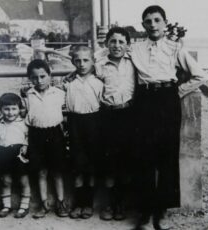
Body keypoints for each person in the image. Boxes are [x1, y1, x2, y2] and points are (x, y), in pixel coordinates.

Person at [130, 5, 206, 230]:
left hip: (167, 100)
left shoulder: (175, 48)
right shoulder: (135, 48)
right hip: (143, 100)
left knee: (166, 155)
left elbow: (199, 75)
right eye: (148, 21)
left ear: (164, 23)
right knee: (143, 155)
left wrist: (178, 92)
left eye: (157, 20)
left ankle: (161, 211)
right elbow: (104, 55)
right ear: (143, 25)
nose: (153, 25)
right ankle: (144, 212)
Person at [96, 27, 136, 221]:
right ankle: (109, 204)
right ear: (106, 44)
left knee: (126, 162)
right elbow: (85, 74)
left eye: (121, 42)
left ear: (127, 45)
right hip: (108, 116)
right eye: (113, 41)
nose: (117, 45)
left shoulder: (133, 63)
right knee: (109, 163)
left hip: (129, 115)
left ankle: (121, 204)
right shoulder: (100, 65)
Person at [23, 59, 68, 218]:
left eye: (43, 76)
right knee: (41, 172)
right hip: (36, 135)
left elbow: (66, 113)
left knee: (57, 171)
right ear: (29, 78)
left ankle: (61, 203)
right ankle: (43, 204)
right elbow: (24, 118)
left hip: (55, 134)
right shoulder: (27, 96)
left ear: (50, 76)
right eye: (34, 77)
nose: (39, 80)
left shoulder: (60, 93)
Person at [63, 46, 103, 219]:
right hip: (74, 123)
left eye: (86, 60)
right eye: (77, 60)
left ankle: (88, 204)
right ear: (73, 62)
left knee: (92, 166)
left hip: (94, 123)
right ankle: (79, 203)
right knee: (78, 165)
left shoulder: (99, 82)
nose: (81, 64)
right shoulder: (68, 82)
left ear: (93, 62)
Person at [0, 93, 30, 218]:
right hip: (4, 152)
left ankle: (24, 206)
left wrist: (25, 146)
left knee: (23, 180)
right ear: (1, 110)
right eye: (6, 109)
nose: (10, 112)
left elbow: (27, 136)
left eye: (14, 109)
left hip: (19, 153)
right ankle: (6, 206)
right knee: (6, 180)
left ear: (19, 109)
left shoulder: (23, 123)